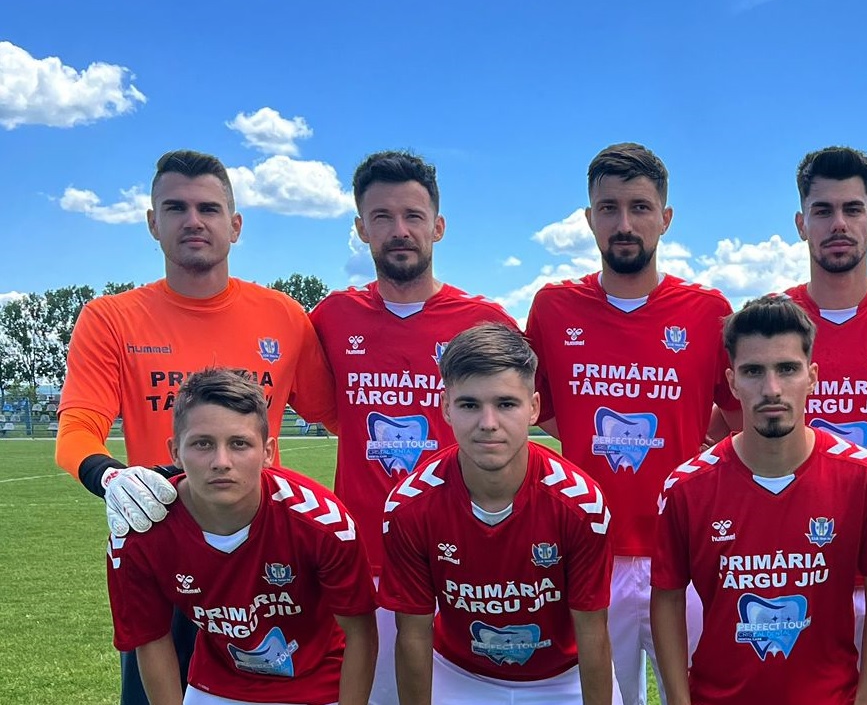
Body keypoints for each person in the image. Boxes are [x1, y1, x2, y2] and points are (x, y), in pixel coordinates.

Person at [57, 149, 338, 705]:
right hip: (164, 548)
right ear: (152, 222)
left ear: (235, 225)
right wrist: (111, 477)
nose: (193, 221)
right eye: (175, 208)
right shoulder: (111, 318)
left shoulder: (284, 315)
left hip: (267, 558)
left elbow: (339, 416)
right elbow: (78, 428)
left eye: (209, 208)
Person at [526, 142, 736, 705]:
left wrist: (689, 432)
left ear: (665, 218)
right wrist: (585, 431)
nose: (624, 223)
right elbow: (535, 406)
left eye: (640, 207)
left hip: (686, 550)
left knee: (701, 693)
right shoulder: (553, 307)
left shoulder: (708, 310)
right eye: (609, 208)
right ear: (589, 218)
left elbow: (738, 415)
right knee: (594, 697)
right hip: (588, 549)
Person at [310, 150, 520, 704]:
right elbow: (328, 410)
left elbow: (518, 416)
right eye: (381, 217)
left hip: (463, 563)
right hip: (364, 560)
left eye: (413, 216)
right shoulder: (332, 317)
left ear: (438, 226)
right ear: (361, 229)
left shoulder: (485, 320)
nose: (399, 231)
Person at [651, 295, 867, 705]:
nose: (771, 389)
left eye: (787, 369)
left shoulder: (863, 477)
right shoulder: (686, 487)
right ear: (732, 382)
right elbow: (667, 597)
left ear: (812, 376)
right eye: (753, 371)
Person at [754, 146, 867, 704]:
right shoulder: (770, 318)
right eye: (823, 210)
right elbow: (735, 424)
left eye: (852, 209)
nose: (839, 224)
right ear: (801, 224)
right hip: (796, 567)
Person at [106, 368, 376, 705]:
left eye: (239, 444)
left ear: (267, 452)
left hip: (318, 682)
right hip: (217, 683)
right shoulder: (141, 533)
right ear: (175, 452)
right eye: (203, 444)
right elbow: (152, 640)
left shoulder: (322, 523)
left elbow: (360, 632)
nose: (221, 462)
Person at [380, 323, 618, 704]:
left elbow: (592, 632)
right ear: (446, 407)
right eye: (469, 405)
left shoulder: (581, 504)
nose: (488, 423)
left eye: (506, 404)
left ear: (534, 407)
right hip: (459, 672)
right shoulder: (409, 506)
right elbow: (413, 632)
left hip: (561, 678)